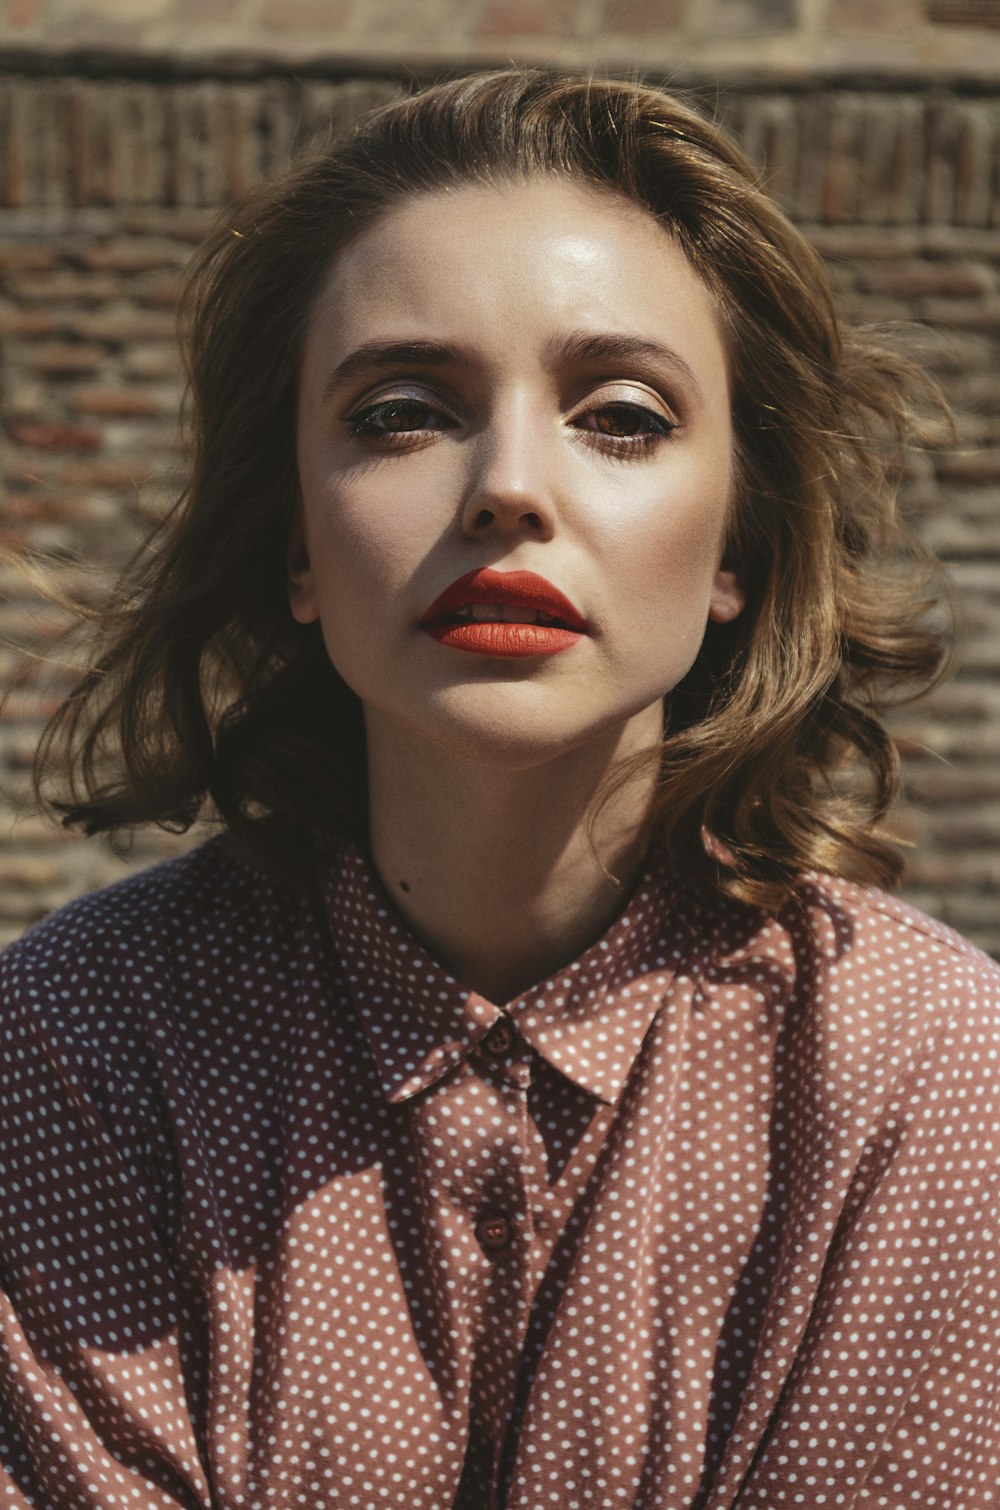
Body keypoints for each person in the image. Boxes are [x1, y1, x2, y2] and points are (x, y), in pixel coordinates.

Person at [1, 68, 997, 1510]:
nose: (509, 486)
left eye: (624, 415)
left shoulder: (921, 1076)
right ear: (294, 540)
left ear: (739, 544)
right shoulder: (81, 1052)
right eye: (404, 412)